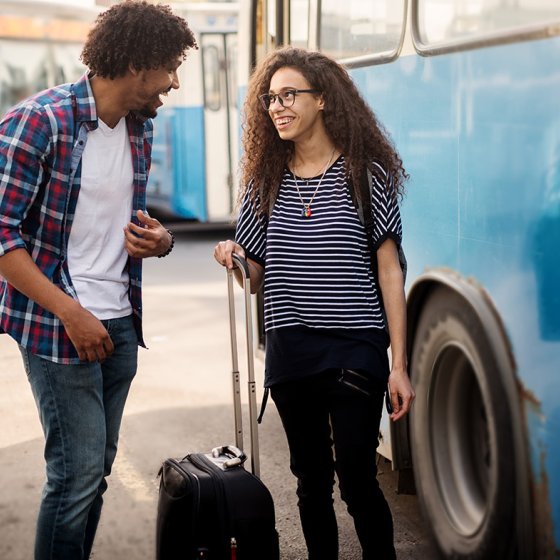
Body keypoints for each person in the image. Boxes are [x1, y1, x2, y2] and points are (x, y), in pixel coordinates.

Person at [0, 2, 197, 558]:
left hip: (120, 324)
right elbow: (2, 237)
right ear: (137, 64)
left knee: (95, 477)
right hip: (61, 326)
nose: (174, 83)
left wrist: (162, 241)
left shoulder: (139, 127)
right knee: (75, 477)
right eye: (169, 67)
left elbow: (121, 225)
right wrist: (71, 312)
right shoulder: (40, 121)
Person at [214, 46, 415, 560]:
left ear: (323, 99)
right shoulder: (264, 183)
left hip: (355, 348)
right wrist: (235, 256)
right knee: (310, 481)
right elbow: (255, 277)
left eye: (289, 95)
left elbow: (389, 270)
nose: (277, 107)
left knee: (357, 477)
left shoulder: (365, 175)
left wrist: (400, 364)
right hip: (291, 349)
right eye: (270, 99)